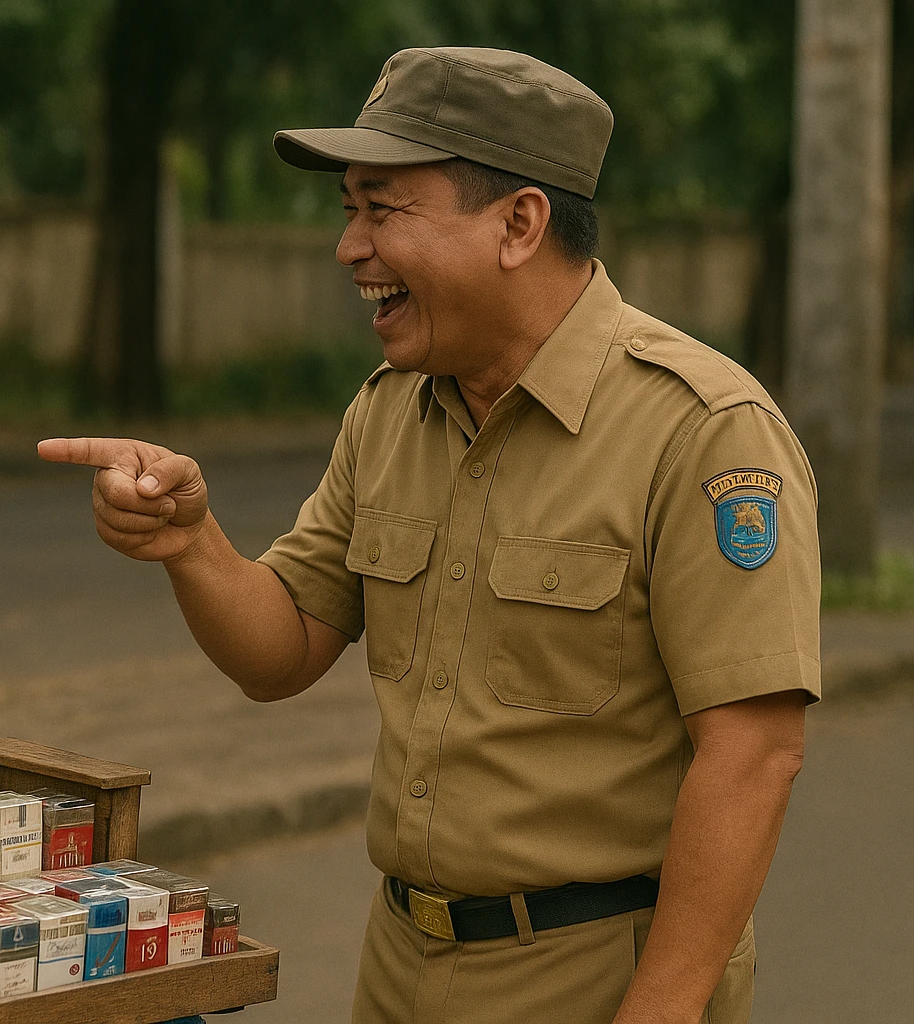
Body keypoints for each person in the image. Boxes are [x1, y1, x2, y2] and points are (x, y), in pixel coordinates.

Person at [40, 47, 817, 1024]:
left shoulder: (700, 429)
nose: (349, 247)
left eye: (383, 207)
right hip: (403, 960)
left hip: (594, 974)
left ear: (519, 223)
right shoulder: (392, 411)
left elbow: (753, 754)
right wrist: (190, 541)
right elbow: (281, 649)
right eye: (348, 209)